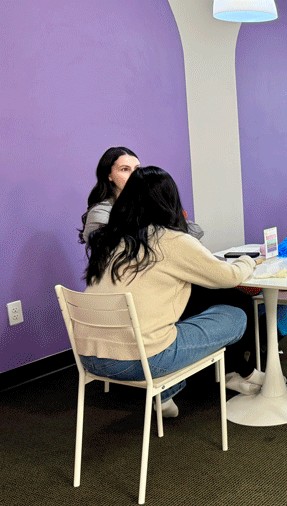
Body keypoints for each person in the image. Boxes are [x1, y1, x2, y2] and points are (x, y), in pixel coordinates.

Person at [82, 167, 265, 417]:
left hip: (89, 358)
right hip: (141, 361)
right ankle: (237, 373)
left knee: (170, 324)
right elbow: (228, 276)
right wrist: (248, 260)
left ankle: (167, 393)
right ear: (169, 200)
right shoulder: (170, 239)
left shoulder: (109, 238)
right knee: (235, 316)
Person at [80, 147, 203, 243]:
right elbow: (112, 247)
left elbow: (195, 231)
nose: (134, 174)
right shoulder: (100, 211)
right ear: (109, 176)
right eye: (125, 169)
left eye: (137, 169)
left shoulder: (148, 202)